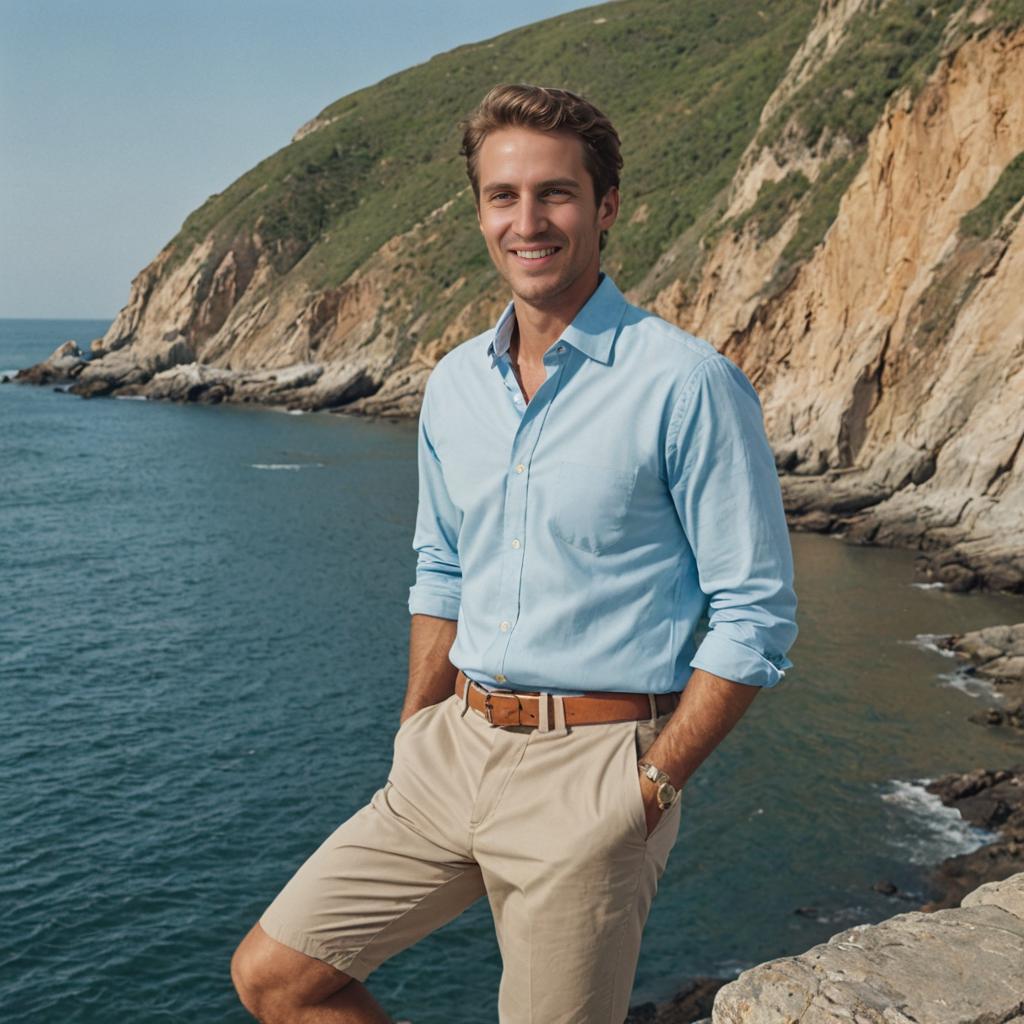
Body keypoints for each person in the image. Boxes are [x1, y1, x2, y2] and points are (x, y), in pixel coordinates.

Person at [231, 83, 798, 1024]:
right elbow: (441, 565)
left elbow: (756, 612)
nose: (527, 221)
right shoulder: (455, 384)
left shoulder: (688, 384)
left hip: (597, 770)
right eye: (504, 196)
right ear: (480, 211)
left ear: (605, 207)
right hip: (451, 748)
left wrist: (651, 785)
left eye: (555, 194)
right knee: (277, 977)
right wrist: (417, 723)